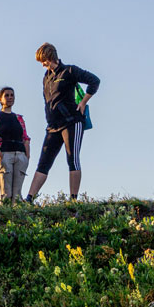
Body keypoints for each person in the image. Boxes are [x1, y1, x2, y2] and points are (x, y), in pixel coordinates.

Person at [25, 43, 100, 202]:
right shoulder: (46, 77)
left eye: (43, 61)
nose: (42, 64)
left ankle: (73, 200)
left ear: (50, 56)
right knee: (43, 163)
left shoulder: (69, 71)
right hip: (53, 126)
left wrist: (84, 102)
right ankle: (29, 199)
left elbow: (94, 81)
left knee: (72, 159)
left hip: (72, 122)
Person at [0, 87, 31, 201]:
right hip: (5, 154)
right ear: (1, 99)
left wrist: (27, 156)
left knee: (17, 194)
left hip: (20, 155)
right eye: (6, 95)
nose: (10, 97)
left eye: (12, 95)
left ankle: (17, 216)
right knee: (6, 192)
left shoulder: (19, 118)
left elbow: (25, 137)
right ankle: (5, 215)